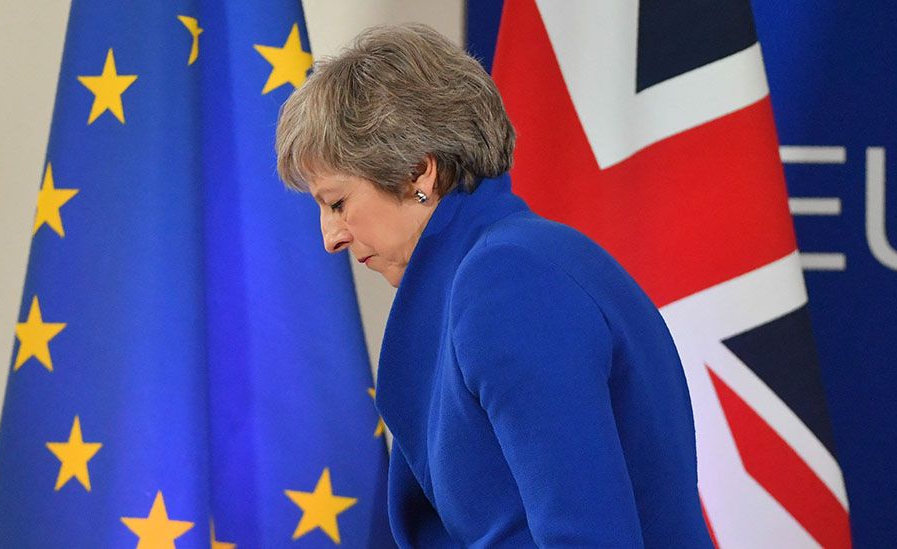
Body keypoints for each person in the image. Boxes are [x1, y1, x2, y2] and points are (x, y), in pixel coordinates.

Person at [276, 23, 714, 548]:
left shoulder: (509, 281)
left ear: (419, 174)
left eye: (337, 202)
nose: (331, 238)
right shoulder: (501, 266)